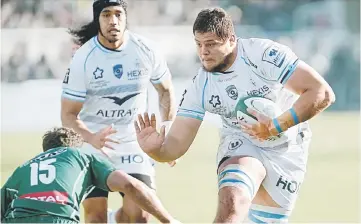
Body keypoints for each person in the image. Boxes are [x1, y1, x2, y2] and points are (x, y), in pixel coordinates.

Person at [134, 7, 336, 223]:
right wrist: (157, 151)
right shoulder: (200, 86)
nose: (203, 52)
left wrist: (276, 126)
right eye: (199, 44)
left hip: (287, 148)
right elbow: (175, 145)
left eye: (211, 44)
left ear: (231, 39)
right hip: (242, 143)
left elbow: (322, 93)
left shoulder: (263, 55)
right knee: (232, 203)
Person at [61, 0, 177, 223]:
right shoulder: (82, 58)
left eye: (118, 14)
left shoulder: (146, 49)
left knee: (140, 216)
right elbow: (68, 115)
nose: (113, 21)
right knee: (95, 217)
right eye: (106, 15)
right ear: (98, 19)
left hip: (135, 141)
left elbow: (166, 90)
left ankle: (117, 218)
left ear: (125, 17)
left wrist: (167, 131)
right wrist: (91, 138)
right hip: (93, 143)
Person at [1, 127, 179, 224]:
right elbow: (130, 186)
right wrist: (167, 220)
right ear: (74, 147)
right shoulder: (81, 156)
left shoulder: (24, 167)